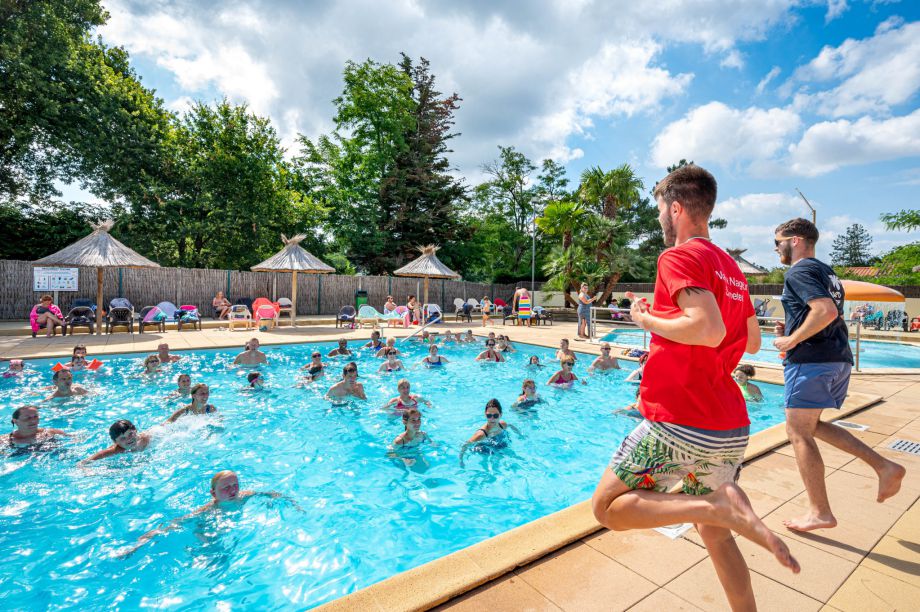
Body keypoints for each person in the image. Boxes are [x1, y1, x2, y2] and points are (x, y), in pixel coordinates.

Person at [592, 164, 799, 612]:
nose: (660, 219)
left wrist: (646, 320)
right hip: (728, 426)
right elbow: (753, 340)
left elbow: (705, 328)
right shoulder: (730, 268)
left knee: (608, 508)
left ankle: (712, 506)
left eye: (661, 209)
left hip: (680, 419)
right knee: (718, 539)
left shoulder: (679, 257)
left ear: (678, 207)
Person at [773, 217, 904, 532]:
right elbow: (824, 315)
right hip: (835, 357)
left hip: (812, 360)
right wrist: (791, 328)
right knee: (810, 426)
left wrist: (793, 339)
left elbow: (825, 312)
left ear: (796, 240)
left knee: (798, 432)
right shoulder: (825, 272)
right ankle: (884, 466)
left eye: (777, 242)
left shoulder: (800, 270)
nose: (776, 249)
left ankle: (821, 512)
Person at [123, 471, 287, 555]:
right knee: (218, 554)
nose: (233, 490)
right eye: (226, 487)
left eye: (235, 485)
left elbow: (271, 493)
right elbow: (175, 523)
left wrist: (285, 502)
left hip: (226, 527)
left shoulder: (243, 496)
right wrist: (141, 542)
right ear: (213, 494)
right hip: (204, 530)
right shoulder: (209, 510)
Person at [459, 399, 521, 465]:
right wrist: (461, 460)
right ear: (485, 415)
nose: (492, 419)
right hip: (483, 448)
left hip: (498, 443)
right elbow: (465, 445)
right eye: (489, 416)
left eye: (495, 416)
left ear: (501, 415)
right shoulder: (481, 434)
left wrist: (520, 435)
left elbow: (510, 425)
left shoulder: (502, 425)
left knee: (515, 457)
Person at [83, 420, 151, 462]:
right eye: (123, 438)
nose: (129, 439)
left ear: (135, 430)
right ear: (115, 442)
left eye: (130, 434)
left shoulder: (144, 438)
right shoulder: (115, 450)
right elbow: (84, 462)